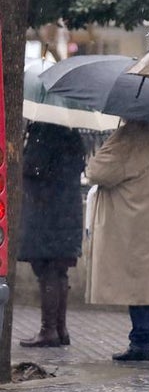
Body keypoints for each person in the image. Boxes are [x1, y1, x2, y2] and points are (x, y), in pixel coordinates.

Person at [86, 119, 149, 361]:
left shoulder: (131, 136)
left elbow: (97, 171)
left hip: (137, 222)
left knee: (139, 282)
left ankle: (141, 340)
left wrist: (114, 138)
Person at [17, 122, 87, 348]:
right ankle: (59, 328)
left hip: (46, 214)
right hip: (66, 213)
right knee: (58, 270)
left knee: (46, 270)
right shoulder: (72, 133)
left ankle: (49, 330)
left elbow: (33, 167)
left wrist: (21, 152)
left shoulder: (44, 132)